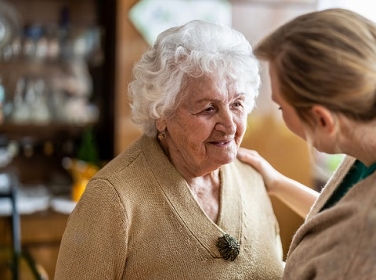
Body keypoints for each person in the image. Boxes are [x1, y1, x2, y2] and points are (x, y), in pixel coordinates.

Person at [237, 8, 376, 279]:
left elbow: (356, 235)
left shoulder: (368, 251)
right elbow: (341, 220)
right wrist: (277, 183)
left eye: (282, 108)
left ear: (323, 120)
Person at [55, 20, 284, 279]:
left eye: (237, 104)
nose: (229, 125)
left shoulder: (252, 179)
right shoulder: (111, 200)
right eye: (208, 108)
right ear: (162, 113)